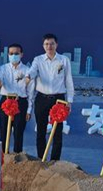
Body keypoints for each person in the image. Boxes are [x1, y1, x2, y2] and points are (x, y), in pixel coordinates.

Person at [29, 33, 74, 161]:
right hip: (41, 98)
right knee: (41, 131)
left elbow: (68, 80)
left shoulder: (64, 60)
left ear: (56, 45)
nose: (49, 46)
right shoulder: (38, 60)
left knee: (57, 132)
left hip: (58, 99)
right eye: (46, 44)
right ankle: (41, 159)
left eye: (52, 44)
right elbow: (32, 71)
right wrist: (28, 77)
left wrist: (69, 100)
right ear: (43, 46)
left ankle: (55, 160)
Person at [0, 44, 32, 153]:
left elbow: (30, 92)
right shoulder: (3, 68)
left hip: (20, 102)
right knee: (4, 132)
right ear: (8, 55)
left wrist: (29, 110)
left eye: (16, 53)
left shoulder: (27, 70)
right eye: (11, 53)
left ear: (21, 54)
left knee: (18, 133)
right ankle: (3, 156)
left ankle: (17, 156)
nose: (13, 56)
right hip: (6, 101)